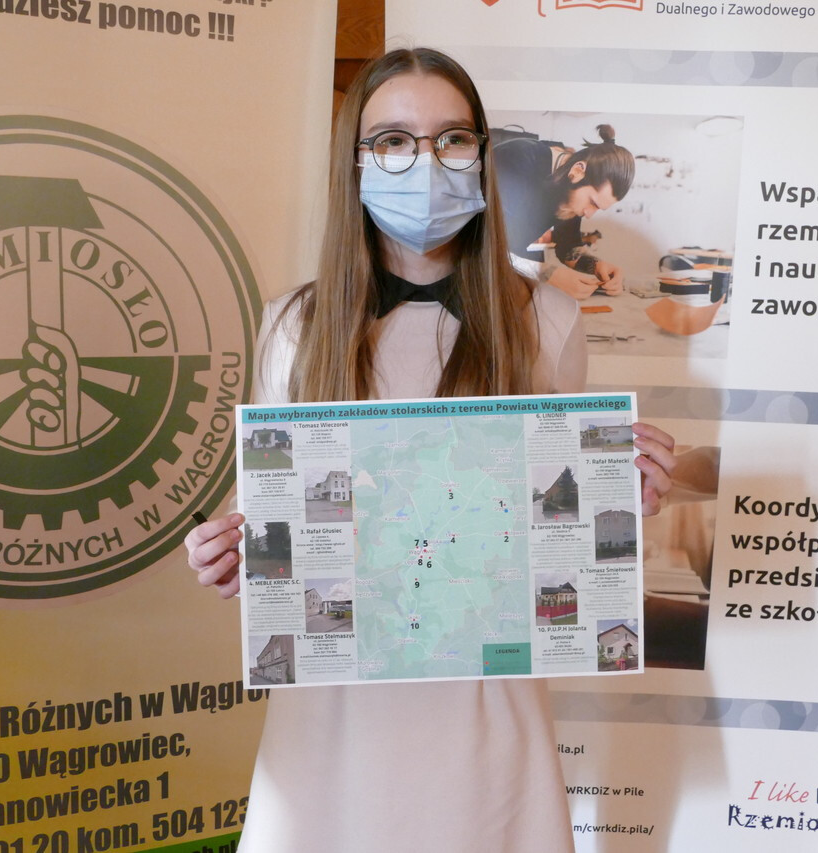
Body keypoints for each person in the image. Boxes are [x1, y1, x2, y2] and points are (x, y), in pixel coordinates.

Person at [184, 47, 677, 852]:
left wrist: (617, 502)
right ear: (355, 162)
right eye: (393, 141)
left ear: (480, 155)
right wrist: (226, 545)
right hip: (331, 719)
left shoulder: (547, 320)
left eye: (451, 138)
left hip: (486, 714)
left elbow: (552, 517)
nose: (425, 163)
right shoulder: (294, 325)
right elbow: (266, 499)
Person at [492, 125, 636, 300]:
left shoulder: (569, 186)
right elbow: (488, 248)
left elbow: (568, 247)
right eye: (592, 202)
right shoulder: (516, 159)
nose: (589, 214)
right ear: (577, 171)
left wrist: (597, 265)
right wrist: (547, 274)